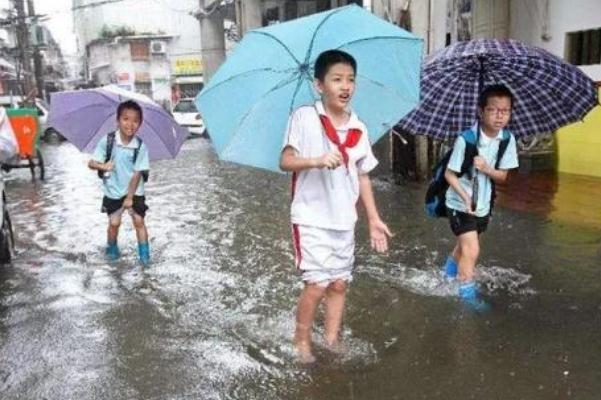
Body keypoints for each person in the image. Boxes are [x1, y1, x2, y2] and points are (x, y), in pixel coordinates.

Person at [280, 49, 392, 363]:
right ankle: (301, 338)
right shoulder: (304, 117)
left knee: (339, 284)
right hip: (311, 216)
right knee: (317, 284)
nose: (345, 86)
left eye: (351, 80)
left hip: (345, 219)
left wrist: (373, 218)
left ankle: (331, 339)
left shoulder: (359, 128)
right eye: (337, 79)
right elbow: (285, 160)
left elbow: (363, 175)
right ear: (319, 85)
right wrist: (316, 160)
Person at [443, 84, 519, 308]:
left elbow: (503, 177)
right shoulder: (466, 140)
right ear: (481, 111)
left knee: (464, 247)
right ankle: (466, 296)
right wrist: (465, 197)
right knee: (472, 249)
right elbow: (449, 174)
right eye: (493, 110)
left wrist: (486, 168)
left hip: (484, 204)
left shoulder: (507, 139)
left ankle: (446, 275)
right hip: (459, 203)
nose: (499, 116)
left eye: (505, 111)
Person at [88, 100, 151, 266]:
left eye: (135, 120)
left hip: (135, 190)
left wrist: (130, 198)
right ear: (117, 120)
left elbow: (138, 173)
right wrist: (103, 165)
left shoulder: (140, 146)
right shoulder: (108, 141)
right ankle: (112, 249)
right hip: (113, 191)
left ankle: (144, 256)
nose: (130, 124)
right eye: (125, 119)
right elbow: (91, 163)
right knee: (114, 224)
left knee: (139, 222)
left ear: (140, 124)